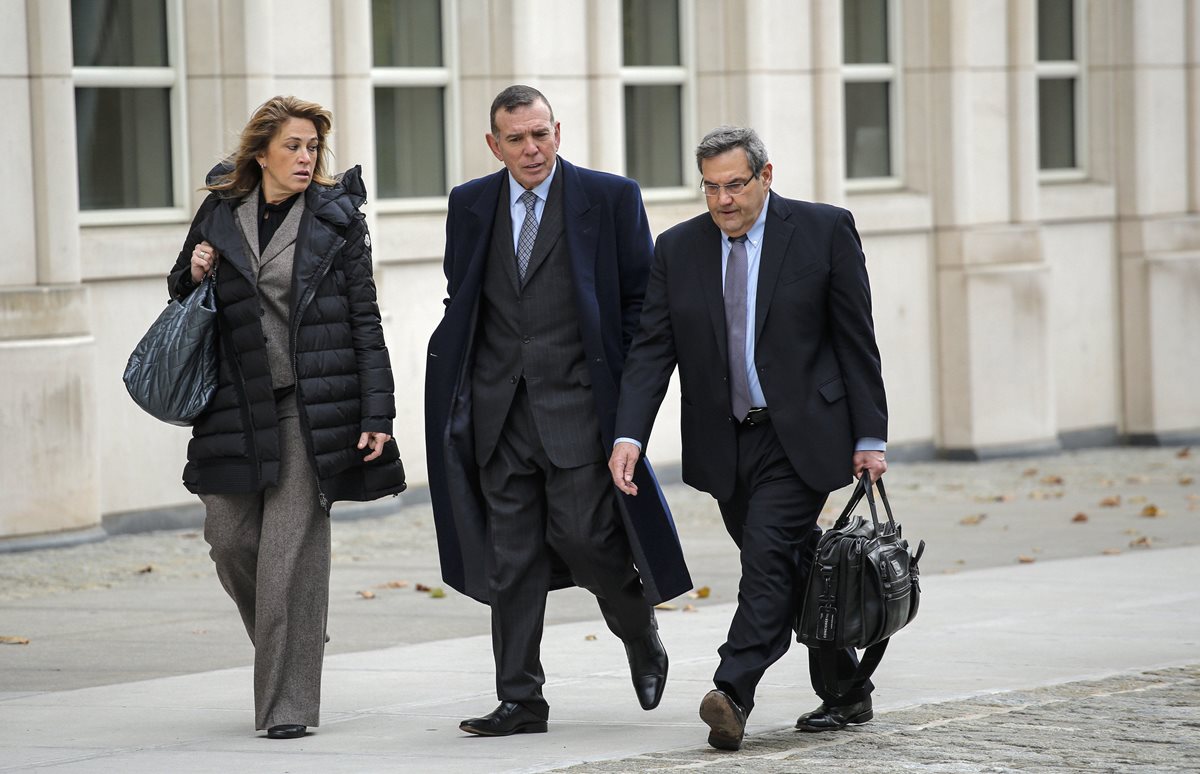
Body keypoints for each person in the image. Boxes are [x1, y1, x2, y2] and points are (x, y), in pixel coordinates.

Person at [608, 126, 888, 751]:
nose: (723, 200)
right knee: (793, 564)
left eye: (735, 184)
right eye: (710, 187)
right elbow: (652, 349)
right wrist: (630, 434)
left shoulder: (823, 230)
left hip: (802, 438)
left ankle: (732, 690)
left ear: (766, 176)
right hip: (727, 443)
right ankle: (846, 690)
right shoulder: (678, 249)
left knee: (765, 559)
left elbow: (855, 339)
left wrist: (870, 435)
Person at [424, 85, 692, 737]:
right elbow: (464, 298)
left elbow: (639, 310)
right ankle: (520, 698)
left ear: (558, 132)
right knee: (510, 557)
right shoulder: (470, 204)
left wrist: (627, 413)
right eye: (515, 138)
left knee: (587, 541)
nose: (531, 148)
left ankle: (638, 629)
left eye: (539, 133)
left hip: (578, 410)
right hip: (499, 412)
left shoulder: (610, 197)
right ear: (495, 145)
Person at [166, 95, 406, 739]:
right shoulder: (220, 210)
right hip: (234, 405)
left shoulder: (337, 219)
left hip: (311, 406)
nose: (305, 158)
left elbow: (364, 319)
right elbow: (180, 288)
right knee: (231, 542)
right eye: (294, 146)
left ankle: (287, 709)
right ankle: (296, 628)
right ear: (261, 153)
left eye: (312, 149)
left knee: (286, 560)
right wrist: (191, 270)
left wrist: (377, 411)